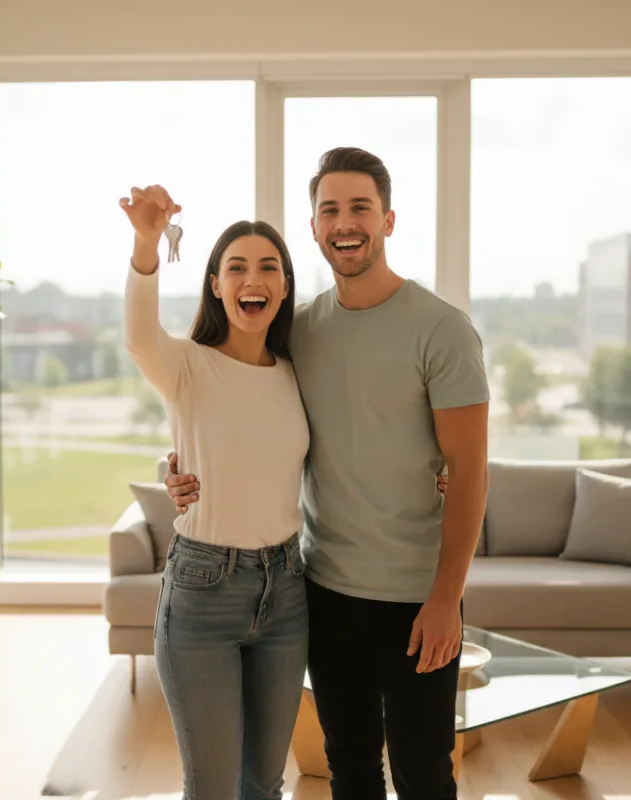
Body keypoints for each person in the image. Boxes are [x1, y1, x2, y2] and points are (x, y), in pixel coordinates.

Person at [163, 147, 490, 800]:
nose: (345, 223)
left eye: (360, 208)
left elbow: (470, 471)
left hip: (417, 596)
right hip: (323, 592)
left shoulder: (442, 330)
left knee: (425, 774)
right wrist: (178, 466)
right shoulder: (300, 331)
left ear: (388, 220)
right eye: (330, 210)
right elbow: (238, 407)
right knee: (350, 768)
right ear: (313, 227)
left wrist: (446, 598)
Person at [119, 184, 310, 799]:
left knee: (265, 784)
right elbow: (139, 338)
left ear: (284, 287)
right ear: (216, 285)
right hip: (204, 592)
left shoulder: (296, 373)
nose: (253, 279)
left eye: (268, 268)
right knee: (213, 788)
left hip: (287, 589)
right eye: (237, 268)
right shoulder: (187, 365)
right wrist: (146, 243)